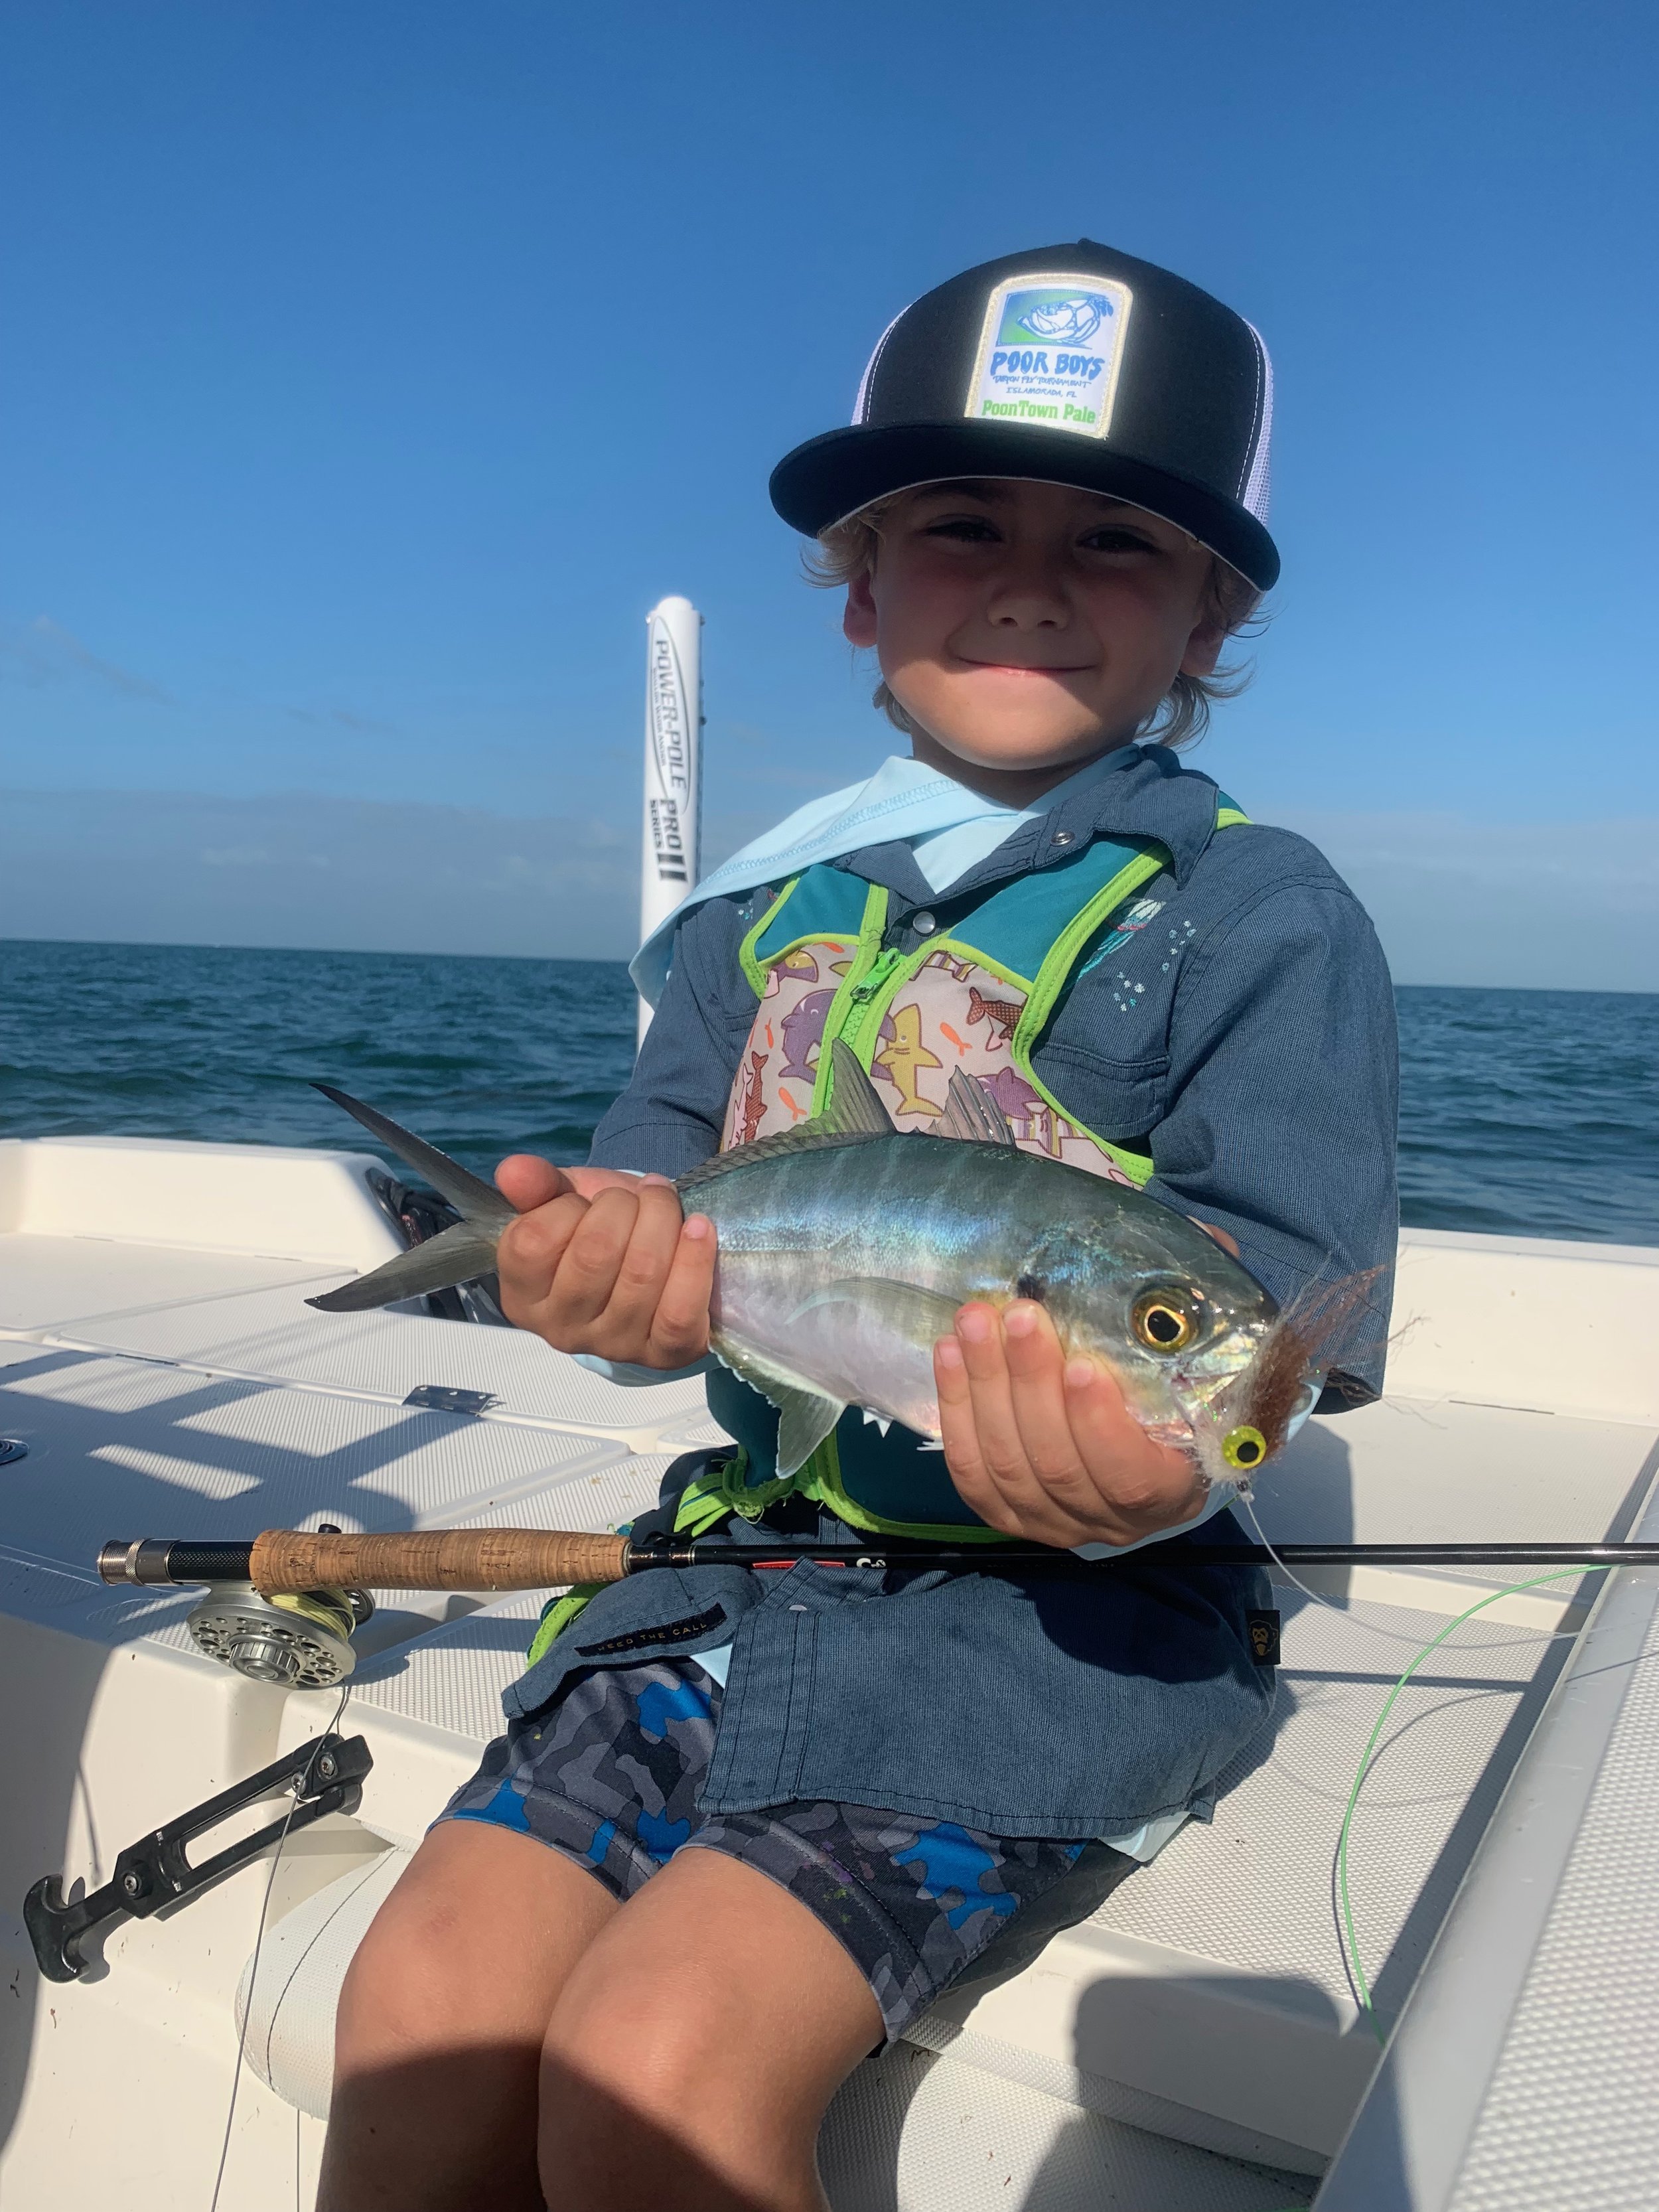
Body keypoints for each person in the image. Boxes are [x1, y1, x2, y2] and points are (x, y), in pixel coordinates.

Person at [317, 240, 1398, 2212]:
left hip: (1057, 1635)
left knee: (656, 2065)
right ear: (859, 589)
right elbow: (653, 1225)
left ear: (1211, 615)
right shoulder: (752, 919)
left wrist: (1151, 1472)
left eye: (1118, 541)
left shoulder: (1261, 917)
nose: (1032, 581)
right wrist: (591, 1282)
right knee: (418, 2001)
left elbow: (1277, 1325)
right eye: (962, 523)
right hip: (728, 1571)